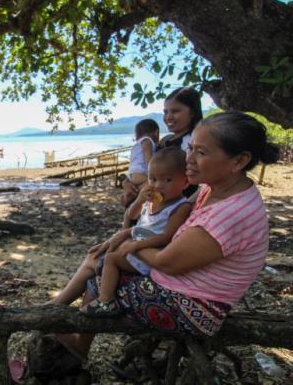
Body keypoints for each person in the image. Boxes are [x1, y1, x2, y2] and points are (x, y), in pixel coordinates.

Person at [52, 111, 279, 360]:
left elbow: (167, 263)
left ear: (239, 161)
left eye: (201, 153)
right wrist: (125, 234)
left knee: (99, 278)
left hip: (195, 308)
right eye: (190, 148)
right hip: (186, 289)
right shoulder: (215, 189)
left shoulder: (232, 213)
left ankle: (75, 343)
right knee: (102, 260)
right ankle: (63, 321)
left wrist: (130, 243)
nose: (188, 159)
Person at [83, 147, 191, 317]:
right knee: (103, 255)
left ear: (185, 182)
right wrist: (140, 200)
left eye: (167, 180)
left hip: (150, 256)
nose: (158, 185)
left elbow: (166, 237)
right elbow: (131, 215)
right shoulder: (151, 201)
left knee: (111, 259)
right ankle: (102, 283)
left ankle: (106, 301)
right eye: (153, 179)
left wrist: (136, 246)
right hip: (136, 247)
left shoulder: (180, 207)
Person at [123, 87, 202, 199]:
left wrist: (141, 189)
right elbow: (148, 166)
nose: (168, 117)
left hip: (173, 208)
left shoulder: (191, 144)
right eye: (165, 112)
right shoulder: (165, 141)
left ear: (192, 112)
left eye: (175, 111)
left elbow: (184, 179)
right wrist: (127, 183)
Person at [120, 119, 160, 207]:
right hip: (141, 173)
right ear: (156, 132)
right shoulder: (147, 141)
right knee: (149, 186)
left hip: (133, 174)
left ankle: (127, 198)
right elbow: (148, 159)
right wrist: (153, 175)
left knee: (136, 192)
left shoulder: (138, 143)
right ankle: (128, 198)